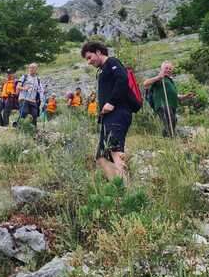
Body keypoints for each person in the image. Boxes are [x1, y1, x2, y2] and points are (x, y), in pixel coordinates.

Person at [81, 42, 132, 182]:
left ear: (98, 52)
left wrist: (111, 102)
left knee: (116, 151)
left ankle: (127, 191)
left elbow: (123, 79)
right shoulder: (103, 69)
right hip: (107, 118)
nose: (89, 62)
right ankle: (119, 187)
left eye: (90, 57)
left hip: (118, 114)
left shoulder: (112, 62)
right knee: (101, 157)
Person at [143, 61, 194, 137]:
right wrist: (158, 77)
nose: (168, 70)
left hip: (171, 105)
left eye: (170, 68)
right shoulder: (160, 79)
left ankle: (165, 137)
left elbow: (176, 96)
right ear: (161, 69)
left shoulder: (170, 81)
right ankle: (171, 138)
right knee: (169, 120)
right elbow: (145, 83)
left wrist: (185, 96)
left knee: (173, 120)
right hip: (162, 104)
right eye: (166, 68)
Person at [14, 63, 44, 127]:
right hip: (23, 98)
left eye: (33, 68)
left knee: (35, 115)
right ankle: (19, 125)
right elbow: (18, 86)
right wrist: (24, 88)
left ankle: (33, 129)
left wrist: (42, 98)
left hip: (33, 100)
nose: (31, 69)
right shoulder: (24, 77)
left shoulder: (38, 79)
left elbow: (41, 90)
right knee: (24, 112)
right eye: (30, 67)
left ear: (36, 69)